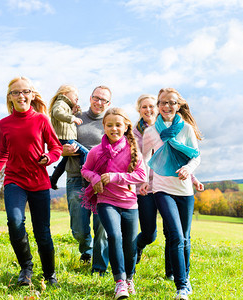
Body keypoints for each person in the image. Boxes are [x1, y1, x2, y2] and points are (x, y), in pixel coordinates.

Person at [0, 76, 63, 287]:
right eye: (16, 92)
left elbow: (56, 148)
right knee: (15, 223)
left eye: (25, 91)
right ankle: (26, 268)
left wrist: (48, 158)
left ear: (32, 95)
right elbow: (2, 153)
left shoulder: (42, 120)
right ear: (10, 97)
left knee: (42, 232)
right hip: (14, 180)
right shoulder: (4, 124)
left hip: (39, 181)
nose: (21, 96)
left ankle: (50, 275)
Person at [134, 94, 204, 281]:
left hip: (183, 188)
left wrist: (190, 172)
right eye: (163, 103)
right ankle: (181, 282)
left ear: (178, 105)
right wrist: (145, 180)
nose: (166, 106)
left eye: (171, 103)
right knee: (170, 234)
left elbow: (190, 156)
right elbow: (144, 157)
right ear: (159, 106)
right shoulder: (147, 131)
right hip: (158, 187)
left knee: (182, 236)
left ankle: (176, 274)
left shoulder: (186, 129)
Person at [81, 107, 146, 300]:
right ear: (104, 126)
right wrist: (95, 179)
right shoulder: (96, 151)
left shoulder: (133, 150)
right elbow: (85, 170)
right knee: (114, 236)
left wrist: (116, 177)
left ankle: (129, 278)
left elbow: (141, 175)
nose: (114, 129)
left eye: (118, 125)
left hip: (129, 204)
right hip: (106, 201)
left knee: (130, 244)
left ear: (126, 126)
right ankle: (120, 283)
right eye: (109, 125)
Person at [62, 86, 111, 275]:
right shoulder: (76, 119)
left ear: (108, 104)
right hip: (76, 177)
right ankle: (86, 249)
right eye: (96, 98)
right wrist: (62, 151)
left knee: (102, 226)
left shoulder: (110, 123)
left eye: (104, 100)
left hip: (102, 182)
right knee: (79, 229)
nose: (99, 103)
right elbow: (59, 142)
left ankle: (99, 266)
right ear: (90, 98)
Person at [48, 84, 89, 190]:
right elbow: (57, 113)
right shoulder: (60, 103)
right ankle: (86, 180)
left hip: (65, 138)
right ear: (65, 93)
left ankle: (53, 179)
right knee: (85, 153)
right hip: (64, 139)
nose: (77, 97)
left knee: (65, 160)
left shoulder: (66, 106)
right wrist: (72, 118)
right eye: (75, 94)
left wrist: (73, 112)